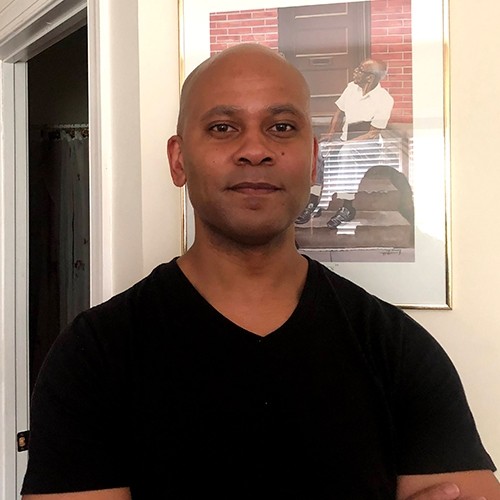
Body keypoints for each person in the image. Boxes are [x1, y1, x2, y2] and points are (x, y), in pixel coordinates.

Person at [21, 44, 499, 499]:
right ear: (178, 159)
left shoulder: (398, 351)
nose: (255, 149)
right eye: (223, 127)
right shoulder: (92, 358)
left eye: (282, 127)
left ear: (313, 161)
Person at [295, 58, 395, 228]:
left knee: (346, 154)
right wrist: (331, 133)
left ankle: (347, 207)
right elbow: (339, 113)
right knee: (321, 149)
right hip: (345, 140)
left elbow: (373, 133)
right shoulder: (351, 88)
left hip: (369, 146)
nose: (355, 71)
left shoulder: (384, 99)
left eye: (360, 69)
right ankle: (313, 199)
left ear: (370, 77)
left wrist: (346, 145)